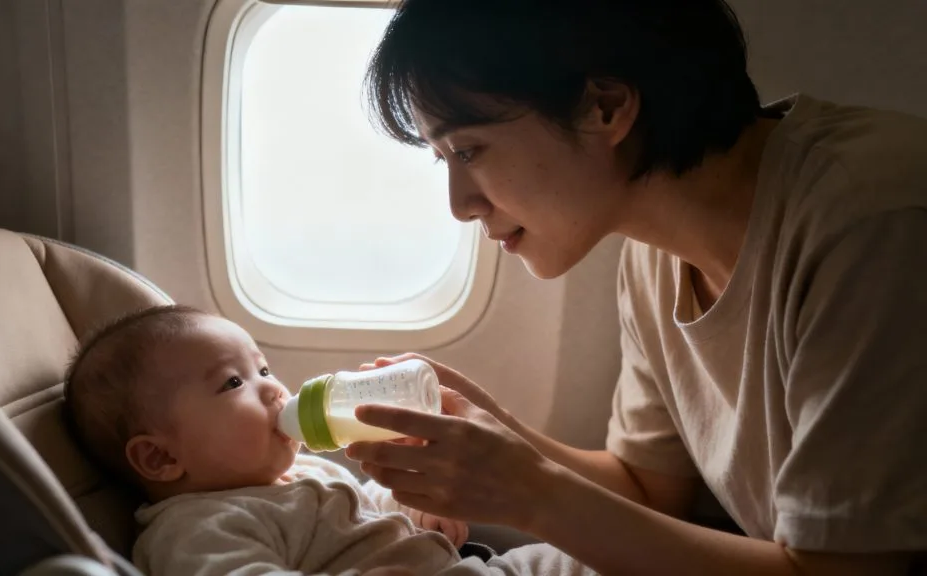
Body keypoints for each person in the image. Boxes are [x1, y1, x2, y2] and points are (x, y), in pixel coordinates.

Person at [344, 0, 927, 574]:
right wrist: (490, 428)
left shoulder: (871, 220)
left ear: (605, 108)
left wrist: (532, 493)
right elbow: (648, 488)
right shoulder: (653, 254)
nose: (460, 205)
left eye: (467, 149)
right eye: (443, 159)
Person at [62, 305, 594, 576]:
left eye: (264, 367)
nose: (273, 387)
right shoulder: (197, 527)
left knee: (590, 556)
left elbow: (368, 511)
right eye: (233, 382)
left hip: (468, 567)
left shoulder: (302, 473)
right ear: (160, 456)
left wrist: (415, 509)